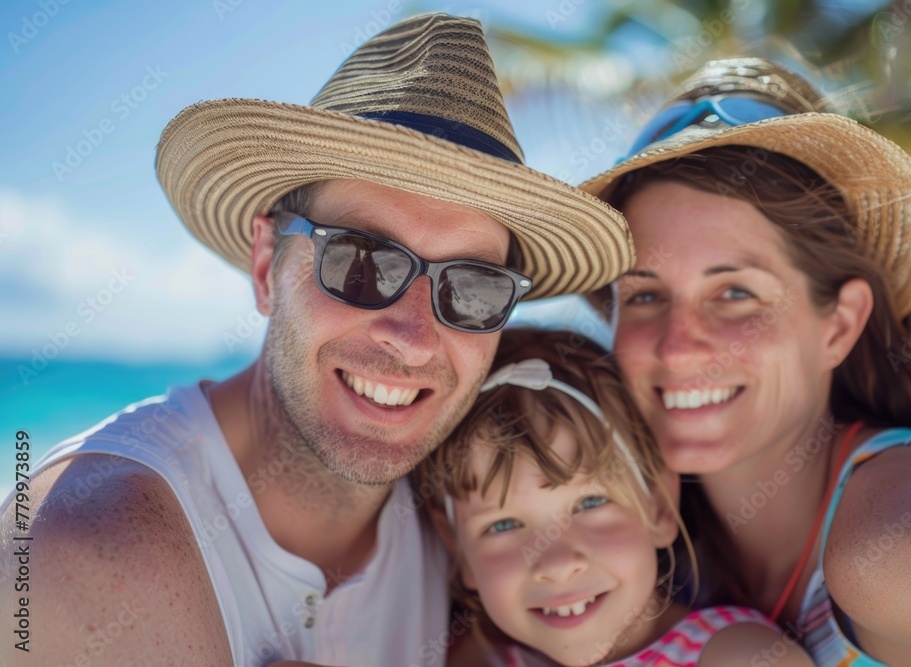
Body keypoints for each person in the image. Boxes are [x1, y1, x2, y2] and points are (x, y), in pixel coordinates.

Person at [0, 14, 632, 667]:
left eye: (472, 290)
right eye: (361, 261)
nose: (414, 339)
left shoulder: (471, 511)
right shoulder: (88, 542)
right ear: (266, 261)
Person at [580, 58, 911, 665]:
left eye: (735, 293)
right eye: (644, 295)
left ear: (840, 324)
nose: (676, 345)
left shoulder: (900, 541)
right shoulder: (649, 567)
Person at [415, 329, 815, 666]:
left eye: (589, 504)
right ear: (459, 549)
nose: (557, 564)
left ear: (657, 506)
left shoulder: (736, 656)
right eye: (502, 525)